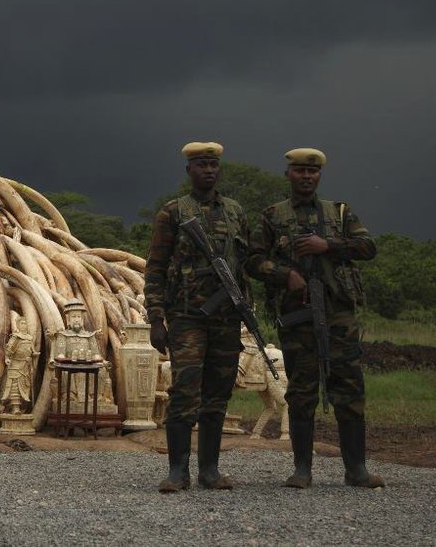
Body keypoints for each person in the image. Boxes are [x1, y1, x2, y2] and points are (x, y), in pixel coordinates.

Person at [246, 148, 383, 488]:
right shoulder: (273, 215)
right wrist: (283, 274)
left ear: (319, 175)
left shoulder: (338, 212)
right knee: (302, 390)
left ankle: (356, 470)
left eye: (313, 171)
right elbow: (252, 261)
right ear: (288, 174)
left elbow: (367, 247)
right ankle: (302, 469)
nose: (306, 176)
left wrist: (329, 246)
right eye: (299, 171)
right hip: (297, 315)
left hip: (338, 314)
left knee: (349, 387)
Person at [144, 141, 249, 492]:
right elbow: (156, 268)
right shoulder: (173, 213)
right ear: (189, 170)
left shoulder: (235, 212)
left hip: (226, 319)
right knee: (184, 391)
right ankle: (177, 471)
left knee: (218, 393)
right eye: (201, 164)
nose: (208, 170)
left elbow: (244, 266)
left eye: (213, 165)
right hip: (187, 316)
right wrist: (156, 318)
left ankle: (210, 471)